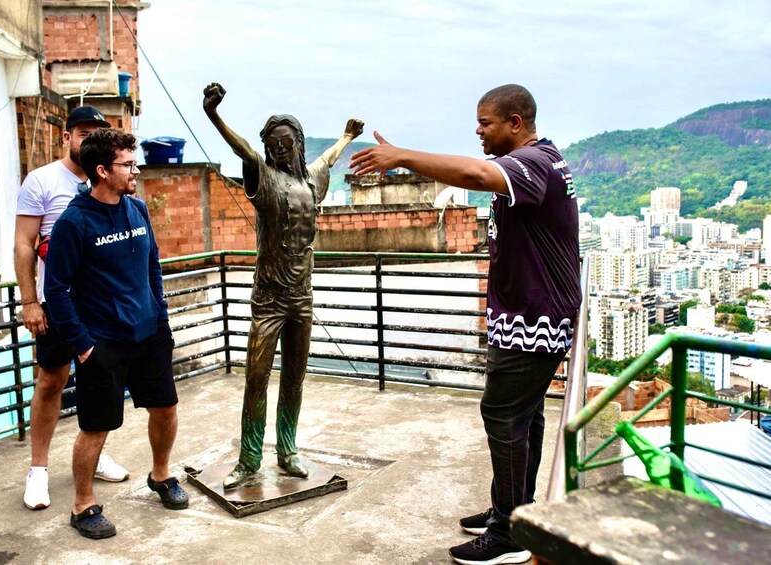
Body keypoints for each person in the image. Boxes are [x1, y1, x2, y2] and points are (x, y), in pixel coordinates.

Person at [350, 84, 581, 565]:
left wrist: (403, 158)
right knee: (524, 419)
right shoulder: (541, 158)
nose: (478, 131)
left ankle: (509, 535)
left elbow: (476, 174)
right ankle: (513, 512)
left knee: (503, 417)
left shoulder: (532, 164)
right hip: (530, 316)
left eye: (486, 123)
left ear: (515, 123)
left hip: (534, 320)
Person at [202, 82, 364, 489]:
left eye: (287, 141)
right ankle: (248, 459)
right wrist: (213, 115)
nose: (280, 148)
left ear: (297, 143)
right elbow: (243, 150)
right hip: (270, 299)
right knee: (256, 379)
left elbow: (328, 158)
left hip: (302, 299)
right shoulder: (264, 179)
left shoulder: (312, 181)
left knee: (294, 376)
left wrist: (346, 136)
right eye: (273, 143)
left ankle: (287, 450)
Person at [44, 128, 188, 539]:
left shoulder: (137, 209)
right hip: (103, 341)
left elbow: (153, 265)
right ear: (103, 171)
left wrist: (160, 315)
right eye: (128, 164)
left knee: (165, 408)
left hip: (149, 333)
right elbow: (55, 289)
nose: (136, 170)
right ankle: (83, 505)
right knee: (96, 426)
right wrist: (84, 346)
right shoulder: (74, 222)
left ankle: (160, 475)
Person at [14, 106, 129, 511]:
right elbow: (24, 243)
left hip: (102, 305)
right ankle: (38, 469)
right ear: (66, 137)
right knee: (50, 381)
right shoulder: (42, 181)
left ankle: (94, 457)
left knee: (101, 382)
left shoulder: (111, 179)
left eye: (97, 132)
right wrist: (30, 301)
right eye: (82, 132)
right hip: (56, 301)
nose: (88, 138)